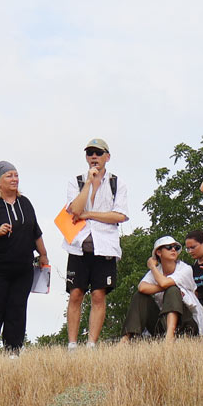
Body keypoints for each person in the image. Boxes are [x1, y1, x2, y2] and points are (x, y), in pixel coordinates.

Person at [0, 161, 49, 355]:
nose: (14, 179)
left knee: (17, 309)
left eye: (16, 175)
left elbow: (35, 232)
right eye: (9, 176)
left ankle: (13, 351)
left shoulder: (25, 203)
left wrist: (43, 255)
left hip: (22, 268)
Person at [62, 138, 129, 348]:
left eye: (98, 153)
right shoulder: (77, 181)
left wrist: (89, 214)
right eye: (90, 153)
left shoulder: (117, 183)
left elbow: (120, 215)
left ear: (107, 157)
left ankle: (91, 343)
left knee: (99, 294)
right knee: (76, 293)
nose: (94, 157)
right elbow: (74, 209)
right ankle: (72, 344)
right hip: (79, 245)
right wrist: (89, 183)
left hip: (105, 246)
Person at [122, 236, 203, 341]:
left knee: (172, 290)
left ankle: (169, 338)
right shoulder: (157, 271)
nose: (173, 250)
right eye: (169, 247)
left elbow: (164, 282)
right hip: (162, 324)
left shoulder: (185, 269)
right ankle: (127, 338)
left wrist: (152, 267)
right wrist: (159, 280)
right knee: (140, 296)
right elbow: (142, 287)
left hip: (186, 323)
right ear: (159, 252)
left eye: (175, 247)